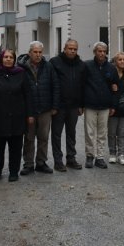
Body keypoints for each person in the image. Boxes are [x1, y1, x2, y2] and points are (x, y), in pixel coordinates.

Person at [0, 49, 34, 182]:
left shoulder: (21, 74)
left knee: (15, 148)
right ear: (1, 58)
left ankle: (13, 172)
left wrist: (30, 114)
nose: (8, 59)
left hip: (17, 118)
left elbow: (28, 95)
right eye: (5, 57)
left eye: (11, 57)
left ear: (14, 59)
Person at [17, 41, 59, 175]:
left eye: (40, 52)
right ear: (29, 53)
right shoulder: (21, 68)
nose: (38, 55)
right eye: (35, 52)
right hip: (28, 109)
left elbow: (55, 86)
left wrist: (54, 106)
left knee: (43, 137)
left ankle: (41, 162)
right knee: (29, 138)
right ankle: (28, 164)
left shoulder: (48, 66)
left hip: (45, 108)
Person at [50, 39, 86, 171]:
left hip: (74, 106)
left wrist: (81, 105)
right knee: (56, 134)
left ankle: (71, 158)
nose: (72, 51)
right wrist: (53, 106)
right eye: (70, 48)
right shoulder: (54, 62)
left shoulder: (81, 65)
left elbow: (83, 86)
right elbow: (51, 85)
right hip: (58, 106)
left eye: (75, 49)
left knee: (71, 134)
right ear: (64, 48)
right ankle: (58, 161)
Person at [83, 42, 118, 169]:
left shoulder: (111, 68)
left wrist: (113, 106)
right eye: (99, 51)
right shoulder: (87, 66)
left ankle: (100, 157)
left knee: (102, 133)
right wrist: (81, 104)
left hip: (105, 106)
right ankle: (89, 156)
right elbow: (82, 85)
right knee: (90, 132)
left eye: (104, 51)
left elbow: (115, 88)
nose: (102, 53)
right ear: (94, 52)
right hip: (90, 104)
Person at [108, 51, 124, 165]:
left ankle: (121, 154)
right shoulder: (111, 74)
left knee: (122, 133)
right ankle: (112, 153)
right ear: (115, 61)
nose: (122, 61)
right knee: (112, 132)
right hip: (113, 108)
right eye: (120, 59)